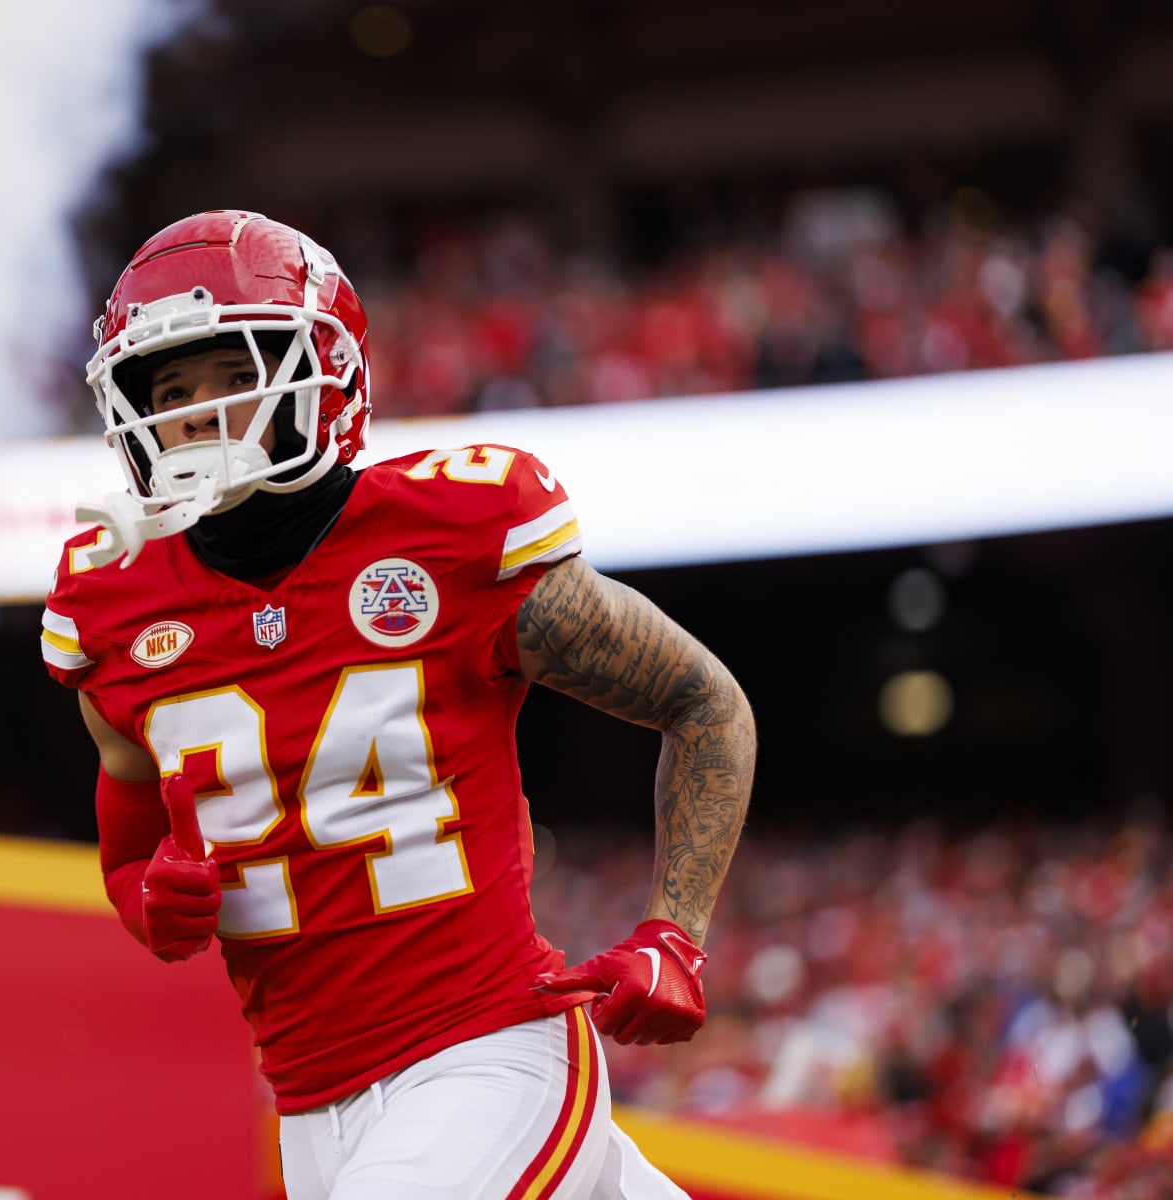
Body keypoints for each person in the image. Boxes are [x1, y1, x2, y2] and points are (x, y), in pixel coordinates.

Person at [41, 210, 755, 1200]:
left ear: (320, 375)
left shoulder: (453, 531)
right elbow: (126, 829)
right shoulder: (111, 601)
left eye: (231, 374)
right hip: (306, 1105)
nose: (196, 414)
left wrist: (674, 929)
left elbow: (704, 702)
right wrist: (144, 896)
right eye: (169, 389)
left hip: (486, 1054)